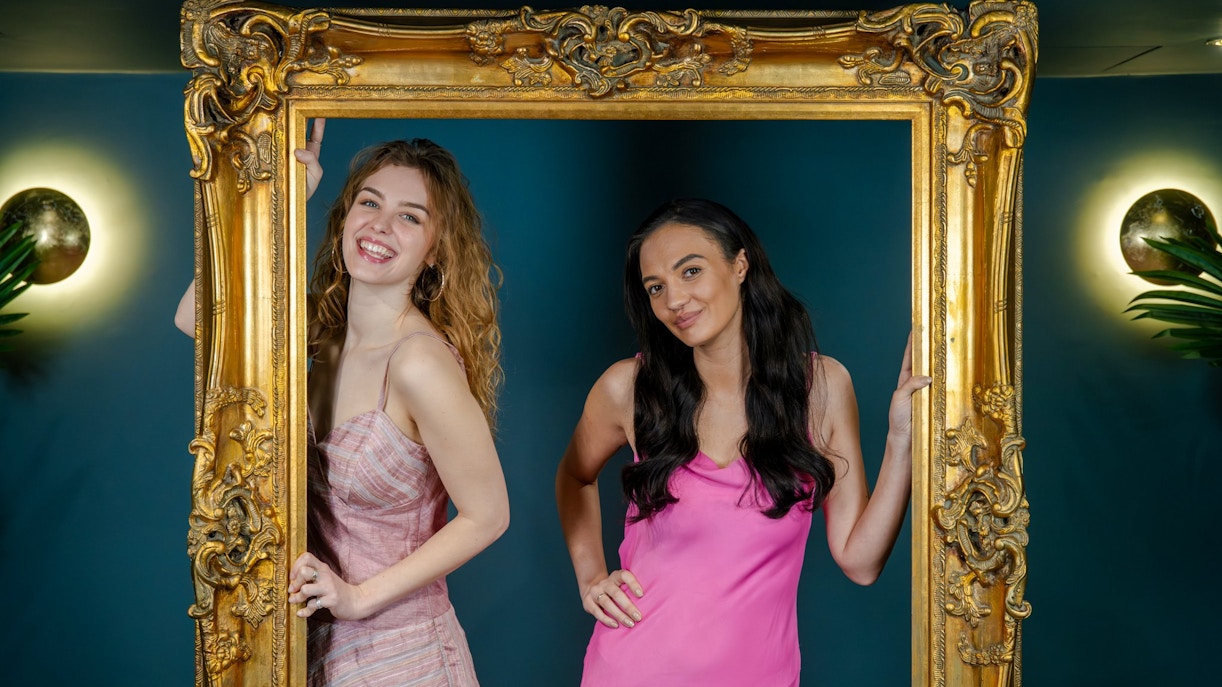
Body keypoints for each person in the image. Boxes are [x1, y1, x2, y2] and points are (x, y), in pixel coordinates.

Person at [176, 120, 509, 686]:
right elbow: (196, 318)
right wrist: (278, 200)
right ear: (345, 216)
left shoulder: (418, 362)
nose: (380, 225)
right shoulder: (323, 334)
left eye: (410, 216)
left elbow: (488, 516)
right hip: (316, 650)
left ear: (435, 251)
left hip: (405, 656)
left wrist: (357, 597)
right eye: (368, 202)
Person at [555, 198, 930, 686]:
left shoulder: (821, 388)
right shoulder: (629, 388)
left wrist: (901, 441)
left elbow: (860, 561)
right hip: (630, 671)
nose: (674, 300)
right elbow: (575, 475)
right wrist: (590, 578)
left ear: (740, 264)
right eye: (656, 287)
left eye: (690, 271)